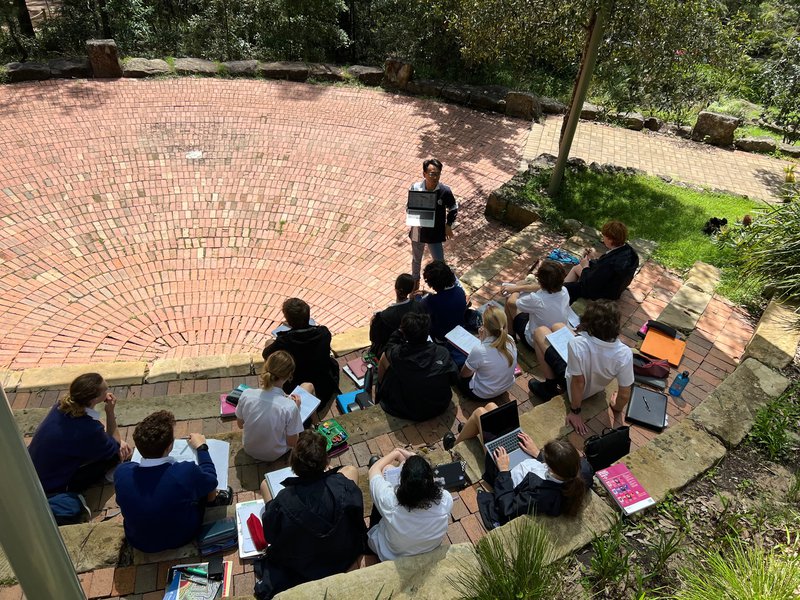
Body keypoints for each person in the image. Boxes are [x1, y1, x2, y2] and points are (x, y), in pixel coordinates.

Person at [254, 431, 365, 599]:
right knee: (351, 470)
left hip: (301, 564)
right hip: (342, 554)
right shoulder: (341, 485)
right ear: (326, 461)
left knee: (264, 484)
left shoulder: (284, 500)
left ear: (293, 464)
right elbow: (357, 514)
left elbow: (270, 535)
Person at [442, 406, 592, 528]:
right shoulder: (577, 471)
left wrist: (504, 470)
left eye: (546, 457)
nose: (543, 456)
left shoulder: (540, 495)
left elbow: (508, 508)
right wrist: (536, 454)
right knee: (492, 408)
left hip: (506, 474)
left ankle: (454, 445)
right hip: (525, 462)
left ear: (553, 468)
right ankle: (473, 429)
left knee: (480, 413)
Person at [114, 410, 232, 553]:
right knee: (201, 485)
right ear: (169, 446)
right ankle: (213, 502)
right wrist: (202, 448)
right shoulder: (184, 472)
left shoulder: (122, 473)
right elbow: (211, 479)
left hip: (139, 541)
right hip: (181, 536)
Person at [528, 300, 634, 435]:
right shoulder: (625, 353)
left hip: (572, 386)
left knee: (540, 332)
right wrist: (616, 407)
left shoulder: (577, 344)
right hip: (596, 386)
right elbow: (624, 394)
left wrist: (575, 412)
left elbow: (578, 382)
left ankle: (549, 386)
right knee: (558, 326)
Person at [28, 373, 132, 495]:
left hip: (33, 468)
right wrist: (110, 412)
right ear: (94, 399)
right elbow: (115, 445)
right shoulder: (88, 429)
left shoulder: (61, 406)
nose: (108, 392)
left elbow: (93, 421)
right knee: (115, 455)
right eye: (105, 390)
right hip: (53, 485)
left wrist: (110, 438)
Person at [367, 448, 453, 561]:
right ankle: (403, 464)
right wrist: (413, 458)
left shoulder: (390, 502)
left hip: (391, 554)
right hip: (429, 548)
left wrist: (396, 452)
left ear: (401, 482)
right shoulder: (445, 500)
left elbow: (374, 470)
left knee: (386, 469)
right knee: (396, 467)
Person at [377, 312, 457, 421]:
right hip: (439, 405)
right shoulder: (442, 352)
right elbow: (453, 378)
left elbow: (389, 347)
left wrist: (399, 332)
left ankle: (379, 390)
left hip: (407, 409)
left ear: (405, 334)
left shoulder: (397, 354)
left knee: (384, 357)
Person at [236, 351, 312, 463]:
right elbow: (292, 442)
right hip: (275, 454)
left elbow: (240, 425)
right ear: (289, 375)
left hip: (249, 449)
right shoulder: (289, 407)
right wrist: (296, 409)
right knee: (308, 387)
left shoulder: (247, 394)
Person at [262, 297, 340, 403]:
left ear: (288, 321)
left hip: (295, 388)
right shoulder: (324, 333)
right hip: (324, 386)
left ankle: (271, 387)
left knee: (269, 343)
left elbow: (265, 354)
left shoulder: (284, 341)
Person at [409, 158, 458, 291]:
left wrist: (448, 225)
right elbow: (409, 206)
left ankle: (449, 285)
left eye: (437, 173)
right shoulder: (415, 188)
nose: (435, 177)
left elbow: (453, 208)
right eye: (431, 173)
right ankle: (415, 284)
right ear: (424, 174)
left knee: (439, 262)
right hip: (417, 230)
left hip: (435, 232)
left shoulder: (445, 191)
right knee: (416, 259)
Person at [563, 221, 639, 303]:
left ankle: (560, 293)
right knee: (577, 268)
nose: (603, 239)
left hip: (601, 293)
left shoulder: (609, 263)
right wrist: (592, 259)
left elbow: (590, 283)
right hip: (616, 289)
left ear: (610, 239)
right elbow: (604, 270)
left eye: (604, 237)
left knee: (567, 287)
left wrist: (585, 266)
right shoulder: (631, 252)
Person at [503, 260, 570, 348]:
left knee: (509, 298)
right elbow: (538, 288)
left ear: (540, 281)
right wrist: (521, 287)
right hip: (556, 335)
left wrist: (516, 288)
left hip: (535, 341)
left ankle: (511, 336)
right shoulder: (564, 290)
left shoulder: (537, 299)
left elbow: (511, 302)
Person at [459, 305, 518, 402]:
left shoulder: (479, 350)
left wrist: (482, 341)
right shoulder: (510, 340)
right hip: (506, 386)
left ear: (485, 328)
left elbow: (464, 374)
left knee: (458, 368)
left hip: (482, 394)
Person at [369, 273, 423, 358]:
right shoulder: (418, 306)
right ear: (411, 289)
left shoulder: (383, 316)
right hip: (415, 346)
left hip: (391, 352)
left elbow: (375, 340)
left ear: (396, 290)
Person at [420, 260, 467, 342]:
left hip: (442, 337)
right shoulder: (459, 291)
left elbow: (421, 305)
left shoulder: (431, 301)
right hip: (459, 329)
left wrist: (417, 297)